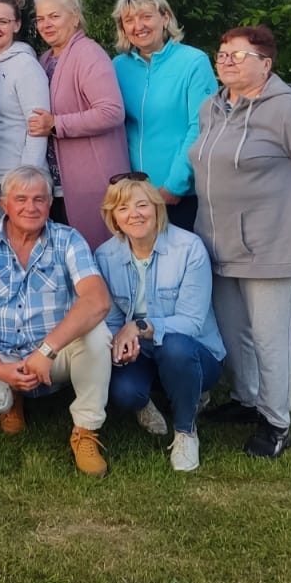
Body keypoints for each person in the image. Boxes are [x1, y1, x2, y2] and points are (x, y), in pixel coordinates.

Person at [190, 25, 291, 459]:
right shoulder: (211, 108)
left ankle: (276, 423)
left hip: (272, 246)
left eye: (238, 55)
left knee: (269, 338)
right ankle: (247, 399)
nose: (226, 61)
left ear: (266, 64)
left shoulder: (289, 110)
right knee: (234, 331)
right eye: (222, 54)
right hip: (218, 244)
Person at [0, 165, 112, 477]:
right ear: (4, 204)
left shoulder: (68, 239)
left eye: (39, 199)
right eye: (21, 199)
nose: (31, 207)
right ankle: (12, 397)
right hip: (5, 352)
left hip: (54, 355)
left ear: (50, 203)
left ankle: (85, 429)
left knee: (97, 333)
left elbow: (98, 300)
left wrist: (46, 350)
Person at [95, 174, 225, 472]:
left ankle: (185, 431)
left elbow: (191, 322)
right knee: (124, 392)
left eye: (142, 205)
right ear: (114, 218)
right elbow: (112, 320)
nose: (134, 214)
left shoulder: (189, 248)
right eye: (123, 208)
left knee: (175, 347)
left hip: (195, 353)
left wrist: (139, 327)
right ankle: (144, 403)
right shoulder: (105, 256)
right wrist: (120, 344)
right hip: (141, 352)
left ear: (157, 208)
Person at [28, 0, 129, 250]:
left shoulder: (89, 54)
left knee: (96, 257)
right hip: (58, 185)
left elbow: (111, 111)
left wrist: (56, 124)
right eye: (40, 18)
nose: (46, 24)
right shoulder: (46, 59)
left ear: (74, 18)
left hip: (92, 181)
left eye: (54, 16)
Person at [111, 0, 216, 231]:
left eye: (146, 16)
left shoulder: (194, 62)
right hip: (133, 197)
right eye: (129, 20)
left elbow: (202, 126)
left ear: (165, 18)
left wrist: (175, 185)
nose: (138, 26)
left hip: (181, 194)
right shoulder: (117, 66)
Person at [0, 0, 50, 226]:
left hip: (15, 179)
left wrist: (28, 179)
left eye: (3, 22)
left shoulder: (26, 67)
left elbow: (37, 127)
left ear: (16, 25)